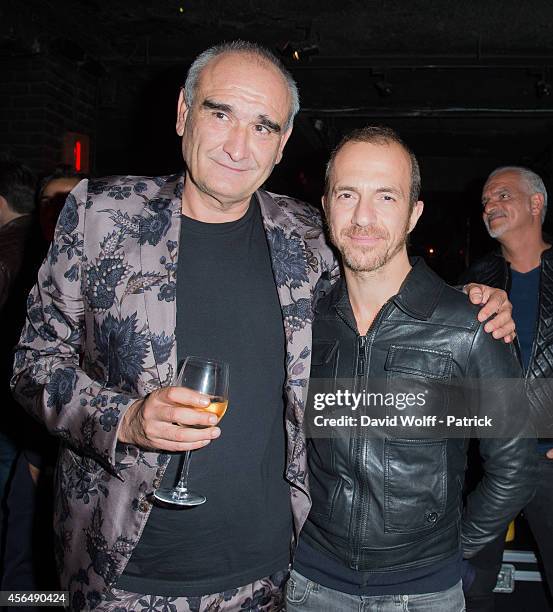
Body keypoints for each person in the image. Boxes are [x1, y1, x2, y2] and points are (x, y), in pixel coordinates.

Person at [12, 42, 516, 611]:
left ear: (281, 143)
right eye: (219, 113)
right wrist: (123, 418)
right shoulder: (102, 215)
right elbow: (32, 365)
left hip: (276, 577)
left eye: (262, 125)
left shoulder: (305, 235)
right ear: (183, 112)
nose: (237, 145)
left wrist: (467, 299)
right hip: (124, 574)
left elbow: (376, 271)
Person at [285, 127, 536, 612]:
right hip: (311, 583)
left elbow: (514, 468)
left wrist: (448, 548)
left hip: (422, 593)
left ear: (413, 213)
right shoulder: (303, 323)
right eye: (347, 194)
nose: (362, 217)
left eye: (385, 196)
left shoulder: (471, 325)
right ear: (325, 205)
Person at [460, 166, 553, 612]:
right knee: (470, 587)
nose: (489, 207)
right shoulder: (477, 277)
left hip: (550, 460)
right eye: (485, 201)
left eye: (501, 195)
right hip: (490, 462)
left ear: (536, 204)